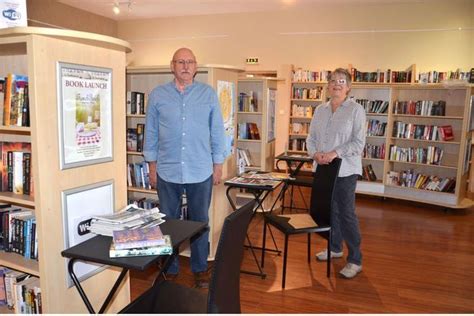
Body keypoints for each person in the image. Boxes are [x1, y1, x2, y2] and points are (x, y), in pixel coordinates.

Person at [143, 47, 227, 288]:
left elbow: (217, 132)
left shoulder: (208, 94)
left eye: (190, 62)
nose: (185, 66)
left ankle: (200, 269)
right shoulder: (158, 95)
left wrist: (218, 164)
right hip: (167, 170)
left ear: (196, 66)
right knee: (168, 221)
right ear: (172, 66)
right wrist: (151, 165)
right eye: (180, 62)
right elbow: (151, 132)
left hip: (200, 169)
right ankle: (171, 268)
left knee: (199, 221)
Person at [306, 68, 366, 279]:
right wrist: (315, 154)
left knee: (346, 213)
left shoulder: (356, 110)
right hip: (322, 168)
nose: (337, 84)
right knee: (329, 211)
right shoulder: (320, 110)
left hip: (345, 169)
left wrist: (334, 153)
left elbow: (358, 143)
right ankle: (335, 248)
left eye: (342, 81)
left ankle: (355, 260)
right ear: (328, 86)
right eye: (333, 81)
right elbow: (311, 138)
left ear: (348, 87)